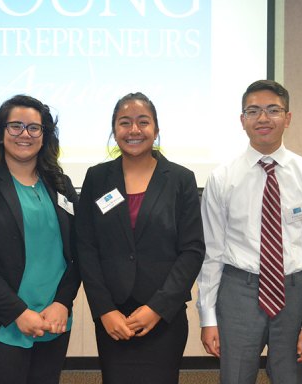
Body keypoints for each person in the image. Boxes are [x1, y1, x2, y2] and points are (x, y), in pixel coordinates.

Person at [197, 80, 302, 383]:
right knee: (234, 378)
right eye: (253, 111)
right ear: (242, 120)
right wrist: (207, 317)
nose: (263, 118)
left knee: (290, 378)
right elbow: (212, 253)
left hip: (293, 291)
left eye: (273, 110)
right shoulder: (222, 178)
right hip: (237, 292)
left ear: (287, 118)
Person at [76, 92, 205, 384]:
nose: (134, 130)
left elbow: (192, 250)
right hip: (113, 318)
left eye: (143, 122)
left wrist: (157, 308)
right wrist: (104, 310)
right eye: (124, 123)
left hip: (163, 315)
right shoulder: (97, 177)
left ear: (156, 130)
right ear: (114, 131)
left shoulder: (180, 179)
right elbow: (86, 247)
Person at [0, 95, 80, 384]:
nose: (24, 134)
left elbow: (79, 251)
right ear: (0, 134)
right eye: (15, 126)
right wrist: (18, 312)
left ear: (44, 136)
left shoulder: (60, 184)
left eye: (34, 128)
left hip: (53, 319)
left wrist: (63, 302)